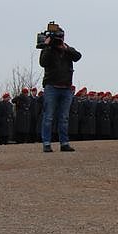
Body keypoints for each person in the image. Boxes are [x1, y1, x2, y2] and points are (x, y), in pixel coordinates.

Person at [39, 23, 82, 152]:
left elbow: (78, 56)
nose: (59, 39)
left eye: (61, 37)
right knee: (49, 117)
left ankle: (64, 143)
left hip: (66, 87)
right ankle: (46, 143)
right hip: (52, 86)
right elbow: (43, 63)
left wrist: (65, 48)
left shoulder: (67, 49)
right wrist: (46, 45)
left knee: (64, 117)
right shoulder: (48, 50)